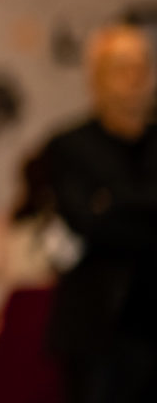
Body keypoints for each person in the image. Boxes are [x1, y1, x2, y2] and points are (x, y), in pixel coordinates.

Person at [46, 23, 157, 403]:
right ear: (97, 77)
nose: (134, 78)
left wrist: (114, 200)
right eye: (122, 67)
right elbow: (87, 222)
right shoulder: (70, 145)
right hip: (98, 326)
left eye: (142, 67)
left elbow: (105, 216)